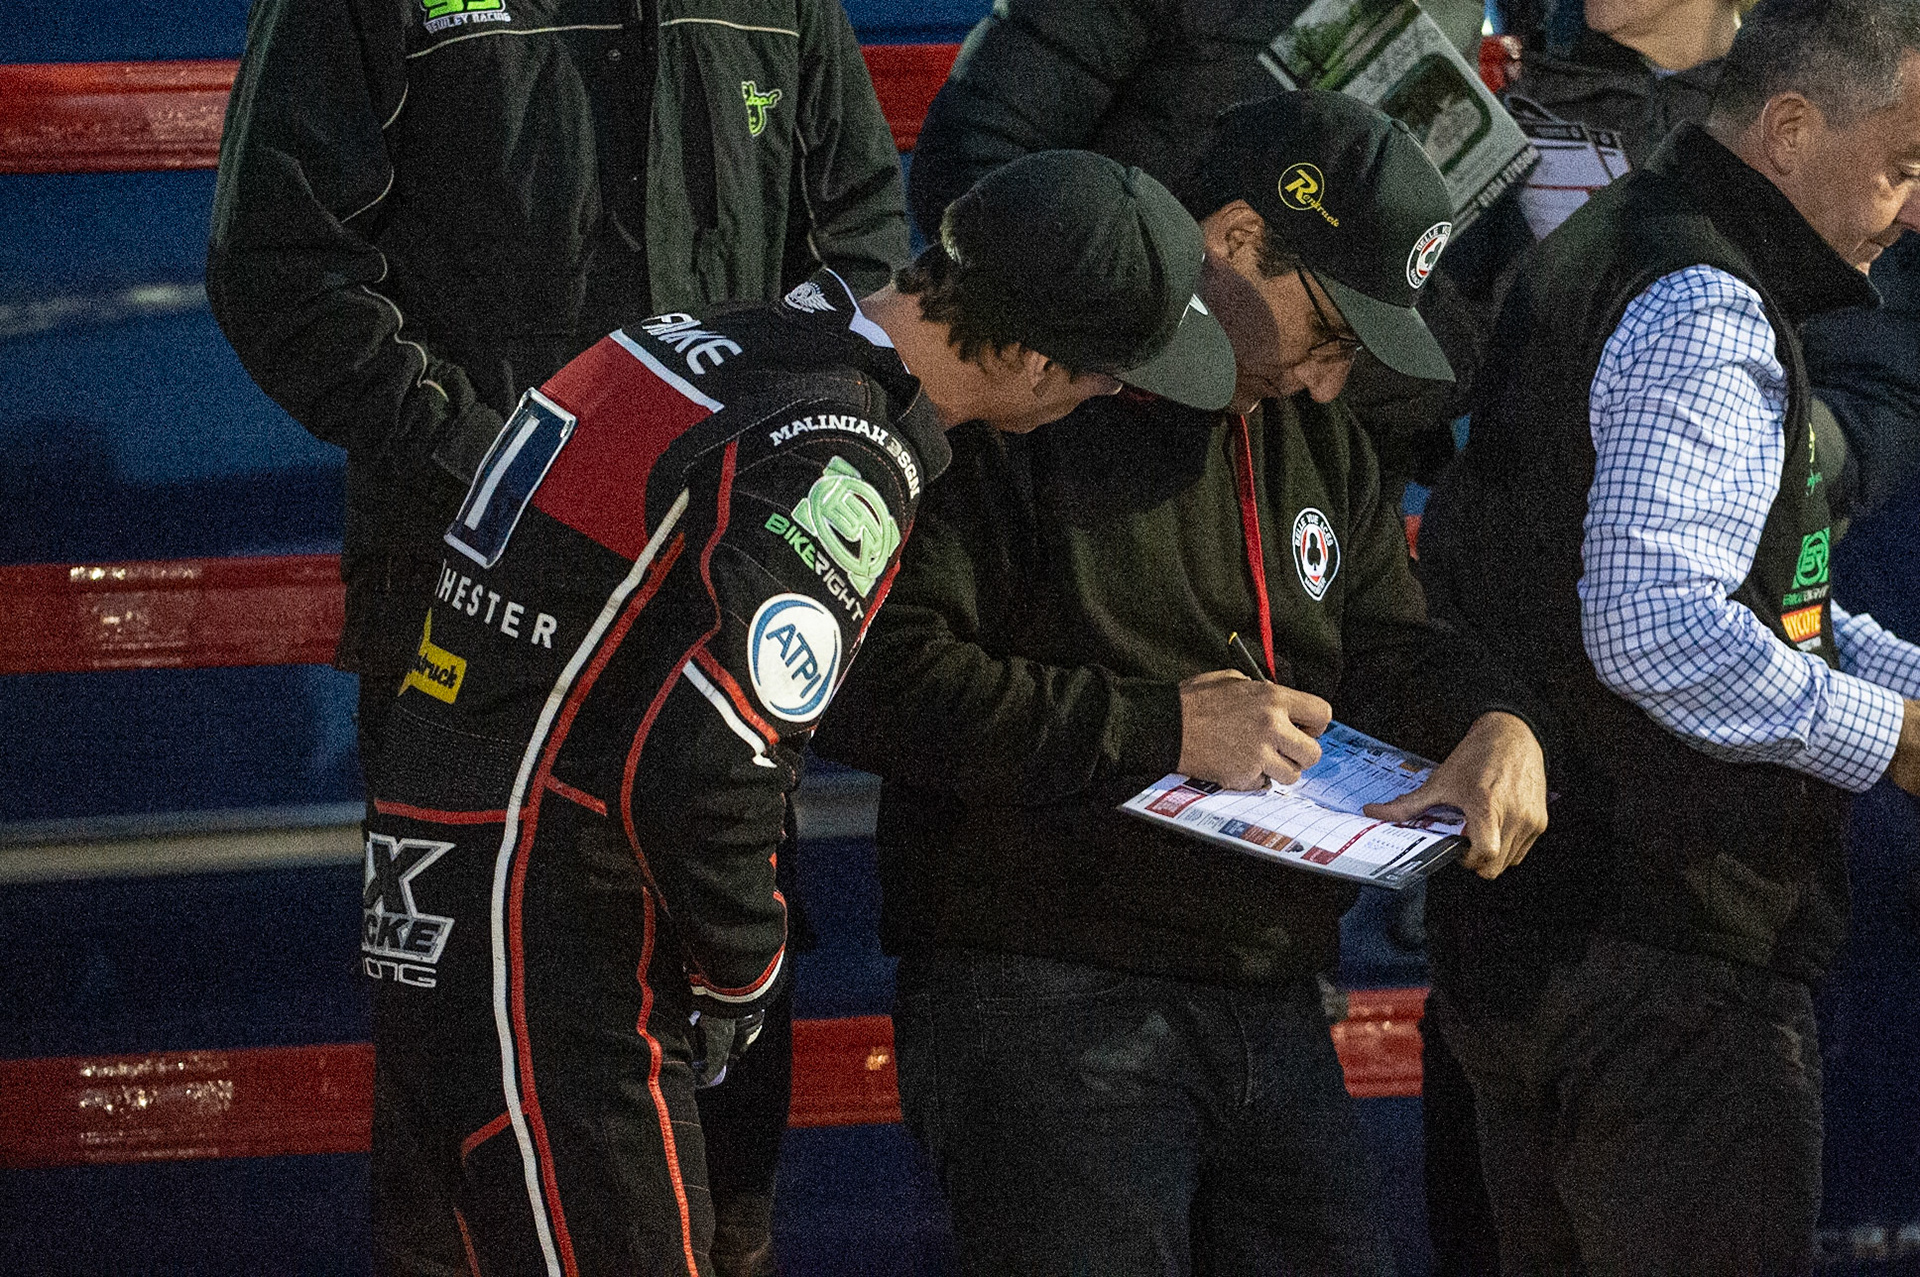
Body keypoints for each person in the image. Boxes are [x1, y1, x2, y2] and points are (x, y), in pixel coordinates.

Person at [354, 151, 1234, 1277]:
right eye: (1106, 374)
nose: (1103, 397)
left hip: (432, 880)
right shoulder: (844, 453)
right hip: (553, 933)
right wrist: (743, 967)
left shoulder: (696, 338)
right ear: (1026, 355)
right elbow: (706, 762)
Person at [204, 0, 910, 1265]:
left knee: (722, 1108)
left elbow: (857, 262)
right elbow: (279, 265)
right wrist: (515, 478)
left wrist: (783, 487)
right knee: (471, 1130)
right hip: (467, 629)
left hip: (707, 629)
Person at [813, 91, 1550, 1277]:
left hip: (1273, 990)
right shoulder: (1024, 376)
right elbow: (874, 679)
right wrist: (1161, 727)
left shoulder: (1319, 431)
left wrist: (1493, 719)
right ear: (1238, 238)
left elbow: (1384, 640)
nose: (1328, 382)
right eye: (1329, 331)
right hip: (1043, 987)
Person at [1413, 0, 1920, 1269]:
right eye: (1902, 165)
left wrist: (1904, 688)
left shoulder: (1625, 244)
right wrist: (1897, 739)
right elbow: (1658, 627)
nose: (1912, 210)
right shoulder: (1702, 301)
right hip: (1662, 974)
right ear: (1791, 129)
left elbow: (1762, 592)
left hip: (1552, 947)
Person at [903, 0, 1489, 509]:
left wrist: (1320, 339)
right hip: (1074, 400)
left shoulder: (1451, 10)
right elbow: (975, 169)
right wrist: (1139, 317)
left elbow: (1427, 294)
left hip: (1261, 424)